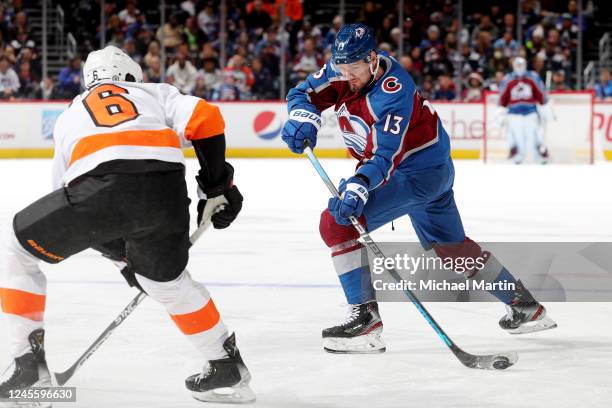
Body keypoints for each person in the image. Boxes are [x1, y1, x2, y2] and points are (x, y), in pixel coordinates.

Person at [0, 45, 254, 404]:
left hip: (97, 188)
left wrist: (121, 257)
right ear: (131, 75)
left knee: (15, 247)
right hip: (165, 193)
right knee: (166, 283)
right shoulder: (153, 92)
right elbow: (207, 117)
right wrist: (217, 187)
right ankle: (225, 363)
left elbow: (66, 197)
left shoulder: (71, 112)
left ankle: (28, 364)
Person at [281, 24, 557, 354]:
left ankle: (365, 323)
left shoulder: (392, 92)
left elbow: (386, 156)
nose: (346, 77)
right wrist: (303, 117)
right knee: (452, 248)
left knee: (337, 225)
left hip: (415, 172)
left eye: (353, 70)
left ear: (372, 60)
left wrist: (359, 186)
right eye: (341, 69)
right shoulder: (344, 68)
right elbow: (302, 93)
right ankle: (524, 305)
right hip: (433, 167)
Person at [498, 57, 550, 164]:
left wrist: (544, 105)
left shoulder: (533, 76)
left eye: (521, 66)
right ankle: (516, 155)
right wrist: (501, 109)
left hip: (530, 112)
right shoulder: (508, 79)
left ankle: (540, 155)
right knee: (516, 136)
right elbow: (503, 97)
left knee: (535, 134)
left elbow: (540, 93)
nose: (519, 68)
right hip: (514, 113)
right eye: (517, 66)